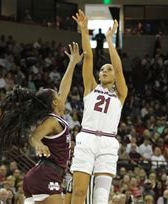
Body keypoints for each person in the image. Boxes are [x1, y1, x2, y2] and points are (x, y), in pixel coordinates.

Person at [0, 42, 84, 204]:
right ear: (55, 103)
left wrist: (72, 63)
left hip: (40, 174)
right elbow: (34, 136)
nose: (62, 97)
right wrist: (37, 143)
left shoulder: (56, 115)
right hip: (46, 175)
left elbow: (64, 88)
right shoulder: (52, 121)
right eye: (58, 97)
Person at [71, 10, 128, 204]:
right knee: (79, 192)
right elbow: (88, 59)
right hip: (86, 138)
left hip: (108, 143)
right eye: (102, 69)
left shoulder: (121, 93)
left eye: (108, 69)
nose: (104, 70)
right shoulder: (91, 88)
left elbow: (119, 68)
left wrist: (110, 40)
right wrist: (84, 30)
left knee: (101, 197)